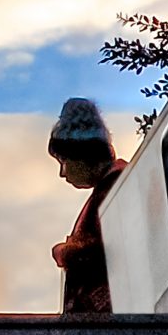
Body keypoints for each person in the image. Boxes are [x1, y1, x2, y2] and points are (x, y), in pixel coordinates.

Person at [48, 97, 126, 315]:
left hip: (111, 320)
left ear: (82, 155)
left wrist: (66, 252)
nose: (62, 173)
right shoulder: (112, 184)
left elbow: (103, 252)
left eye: (64, 162)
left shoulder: (115, 185)